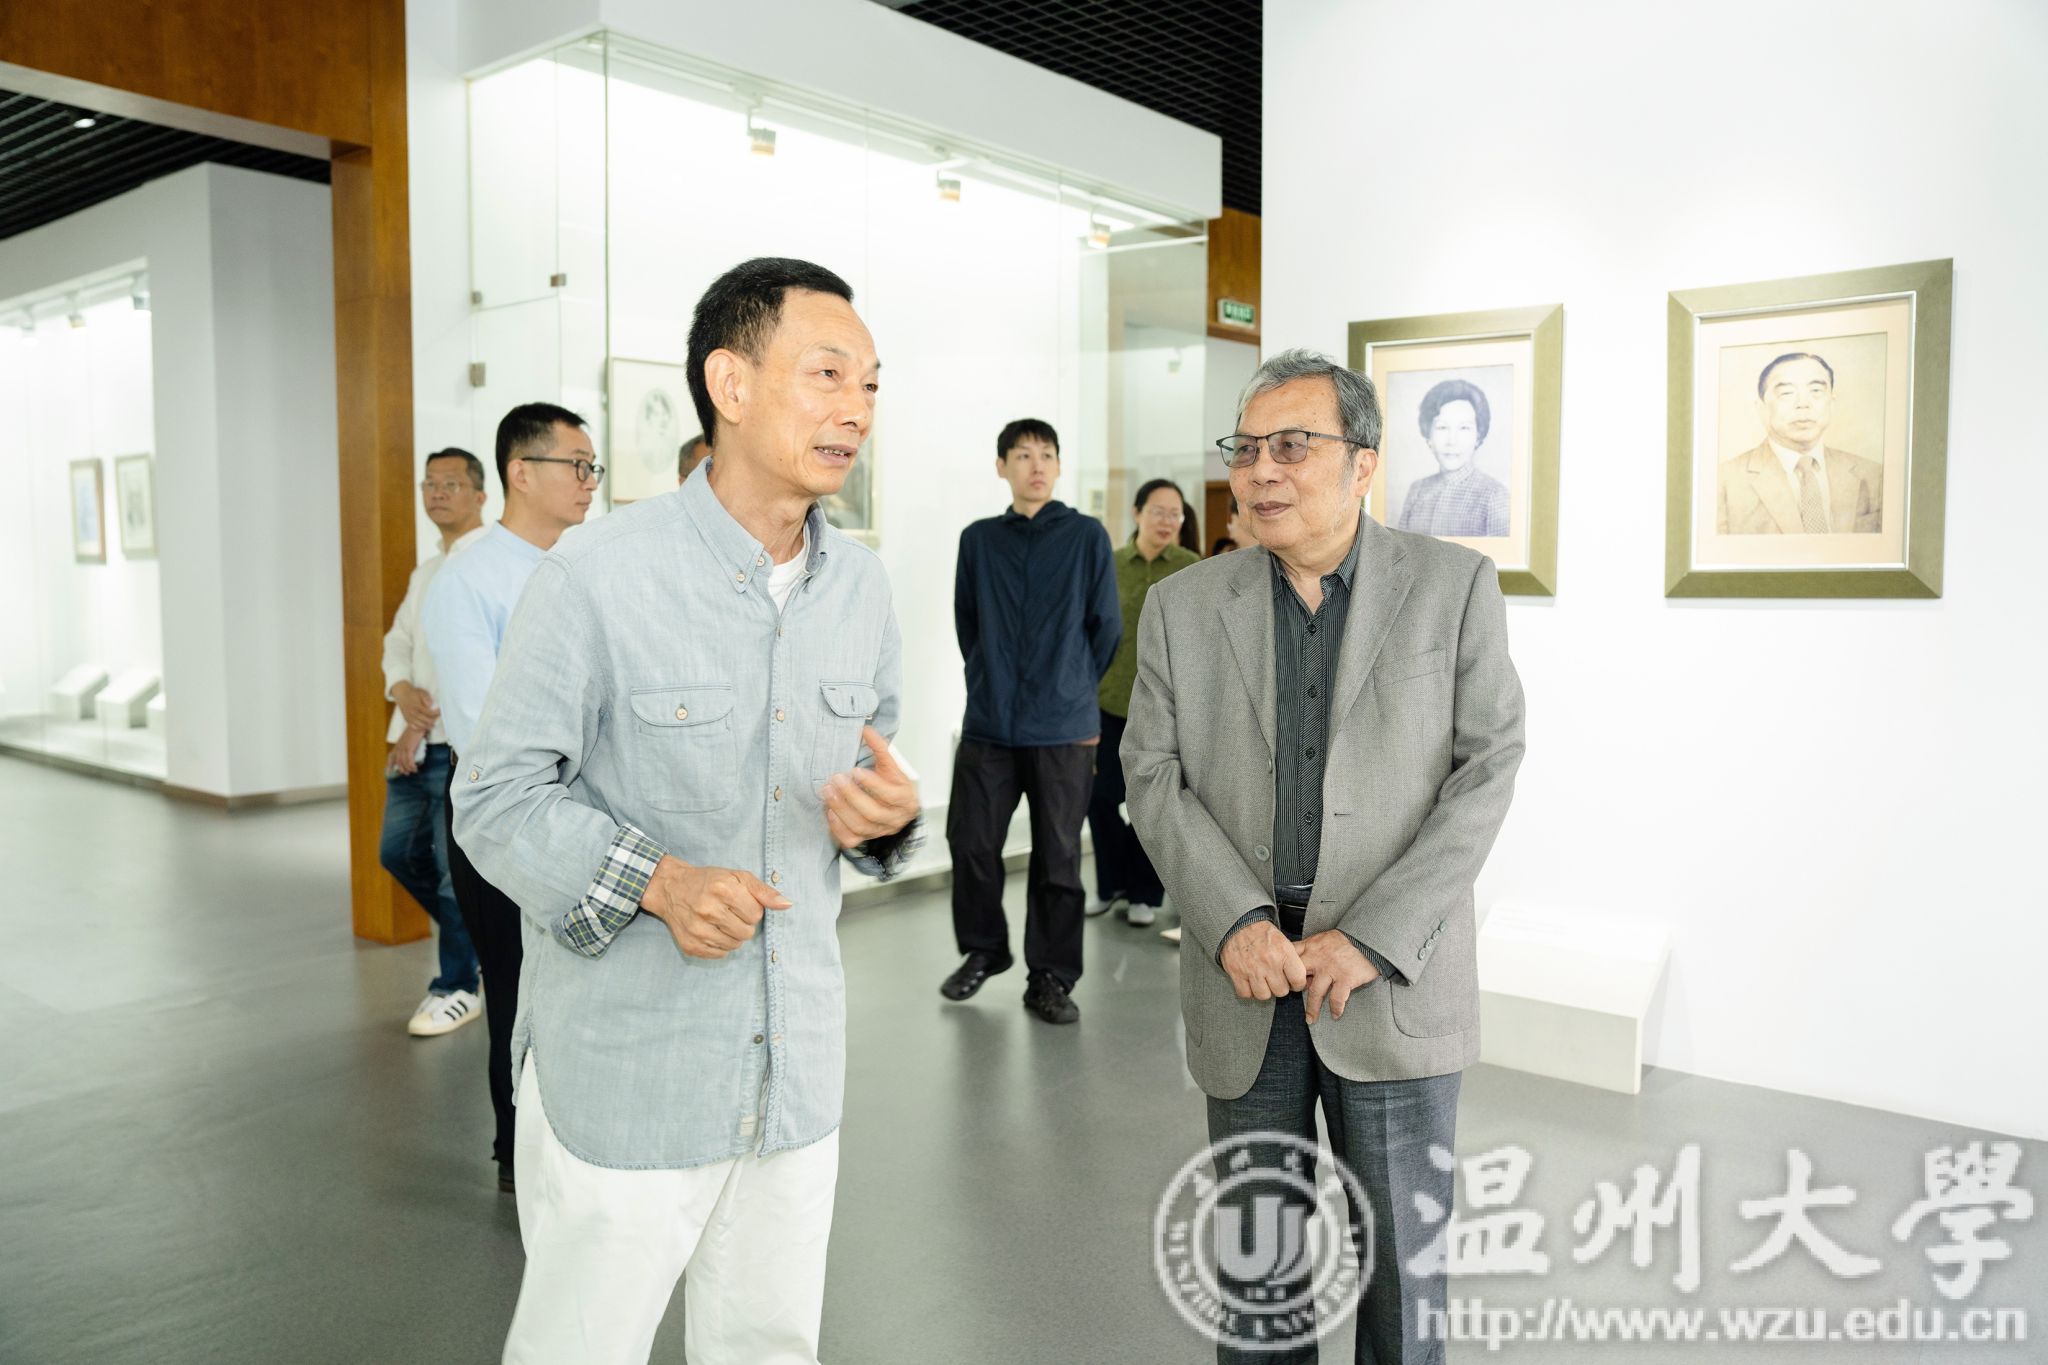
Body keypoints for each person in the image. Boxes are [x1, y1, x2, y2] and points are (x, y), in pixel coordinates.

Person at [453, 257, 921, 1365]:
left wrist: (889, 822)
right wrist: (658, 883)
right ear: (730, 383)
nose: (857, 409)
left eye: (870, 384)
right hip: (629, 1072)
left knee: (768, 1346)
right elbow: (495, 798)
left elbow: (870, 788)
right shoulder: (595, 575)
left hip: (793, 1068)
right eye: (827, 374)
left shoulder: (861, 590)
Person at [1125, 349, 1525, 1364]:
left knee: (1403, 1276)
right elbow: (1152, 774)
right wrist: (1234, 920)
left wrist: (1375, 936)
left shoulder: (1452, 587)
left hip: (1387, 982)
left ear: (1362, 464)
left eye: (1292, 446)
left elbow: (1486, 768)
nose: (1261, 470)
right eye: (1246, 448)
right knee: (1258, 1276)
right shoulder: (1183, 606)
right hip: (1245, 980)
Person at [422, 402, 598, 1193]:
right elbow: (479, 725)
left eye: (593, 467)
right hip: (504, 820)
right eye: (576, 465)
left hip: (587, 811)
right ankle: (516, 1154)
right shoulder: (470, 579)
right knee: (519, 986)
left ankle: (579, 1143)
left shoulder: (589, 563)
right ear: (521, 472)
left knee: (578, 991)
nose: (589, 481)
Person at [942, 418, 1119, 1025]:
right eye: (1022, 455)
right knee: (971, 843)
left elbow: (1106, 625)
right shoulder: (979, 540)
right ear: (1002, 467)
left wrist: (1071, 685)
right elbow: (967, 623)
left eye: (1046, 454)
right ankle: (984, 949)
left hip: (1064, 727)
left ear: (1059, 466)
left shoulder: (1086, 536)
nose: (1036, 465)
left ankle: (1050, 976)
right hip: (989, 722)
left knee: (1058, 858)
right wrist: (988, 676)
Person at [379, 447, 489, 1036]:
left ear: (481, 495)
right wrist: (400, 689)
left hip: (453, 746)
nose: (437, 493)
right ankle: (479, 944)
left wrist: (419, 723)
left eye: (451, 483)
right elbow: (397, 642)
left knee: (453, 875)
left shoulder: (485, 565)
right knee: (397, 853)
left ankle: (457, 986)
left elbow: (472, 661)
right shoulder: (427, 571)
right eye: (430, 484)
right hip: (414, 741)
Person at [1087, 478, 1200, 927]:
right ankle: (1109, 883)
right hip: (1108, 701)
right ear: (1137, 513)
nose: (1167, 521)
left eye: (1175, 514)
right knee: (1098, 798)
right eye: (1158, 511)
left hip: (1163, 709)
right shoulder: (1110, 565)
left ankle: (1144, 893)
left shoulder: (1191, 568)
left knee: (1151, 804)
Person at [1717, 351, 1883, 534]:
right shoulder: (1724, 481)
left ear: (1831, 402)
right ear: (1762, 408)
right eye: (1787, 393)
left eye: (1816, 391)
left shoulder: (1875, 475)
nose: (1803, 404)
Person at [1396, 377, 1510, 537]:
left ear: (1478, 436)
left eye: (1464, 428)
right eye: (1442, 427)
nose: (1452, 441)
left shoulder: (1494, 496)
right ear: (1429, 436)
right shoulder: (1417, 490)